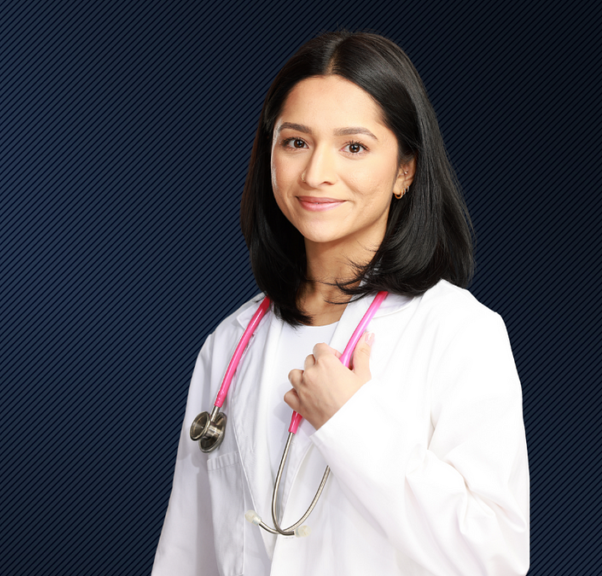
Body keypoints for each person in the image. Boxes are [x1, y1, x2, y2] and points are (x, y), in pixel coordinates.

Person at [152, 30, 530, 575]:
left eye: (354, 147)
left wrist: (351, 422)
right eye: (295, 142)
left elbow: (494, 557)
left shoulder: (459, 331)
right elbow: (186, 555)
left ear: (405, 169)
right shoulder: (230, 342)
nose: (316, 174)